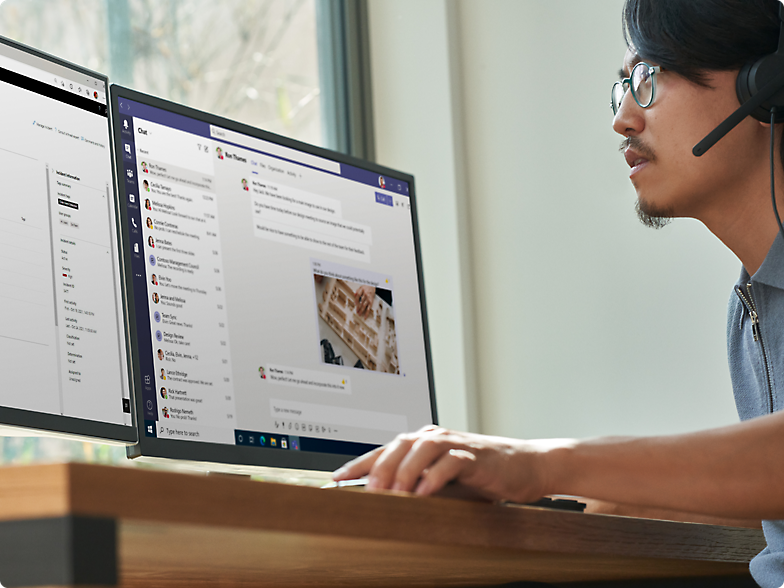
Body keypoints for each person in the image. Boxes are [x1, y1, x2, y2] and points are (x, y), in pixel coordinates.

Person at [333, 1, 784, 585]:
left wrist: (537, 464)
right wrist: (606, 495)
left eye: (648, 79)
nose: (623, 117)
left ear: (766, 84)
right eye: (623, 85)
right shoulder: (750, 302)